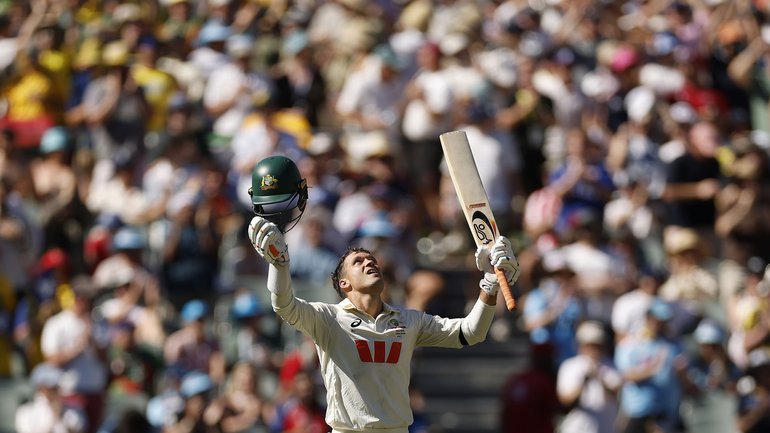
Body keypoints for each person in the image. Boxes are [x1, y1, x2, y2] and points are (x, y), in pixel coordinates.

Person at [246, 155, 520, 433]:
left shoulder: (409, 320)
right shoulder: (328, 319)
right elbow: (283, 305)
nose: (370, 262)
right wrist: (279, 265)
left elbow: (471, 332)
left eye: (371, 259)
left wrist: (489, 282)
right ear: (344, 285)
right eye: (358, 261)